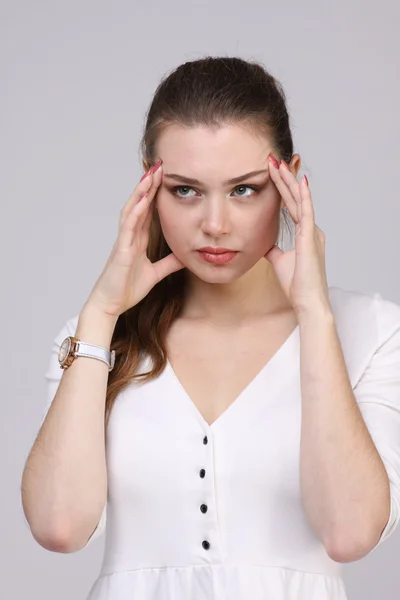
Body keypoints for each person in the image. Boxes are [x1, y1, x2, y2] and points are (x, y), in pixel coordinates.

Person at [21, 56, 400, 600]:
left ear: (290, 182)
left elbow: (348, 532)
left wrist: (314, 315)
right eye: (185, 190)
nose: (215, 224)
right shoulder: (93, 340)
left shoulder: (374, 331)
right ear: (149, 190)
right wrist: (101, 315)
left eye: (243, 189)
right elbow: (59, 526)